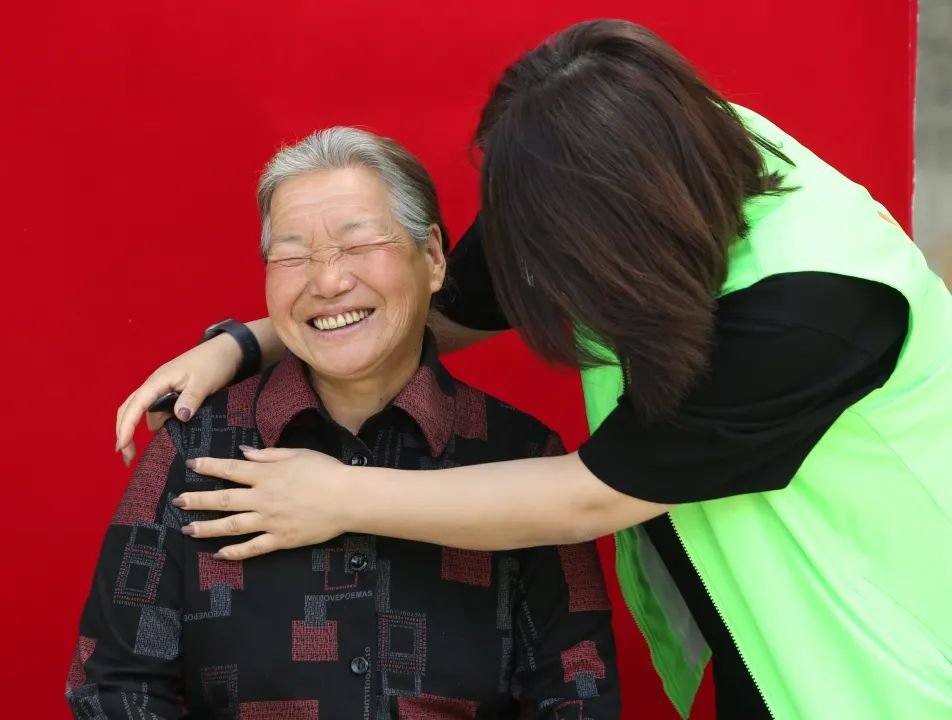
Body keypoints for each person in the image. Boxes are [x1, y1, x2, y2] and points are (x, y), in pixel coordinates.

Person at [111, 20, 952, 720]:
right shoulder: (641, 151)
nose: (531, 276)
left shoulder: (814, 305)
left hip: (879, 659)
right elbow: (426, 303)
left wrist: (334, 495)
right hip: (758, 633)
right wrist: (245, 342)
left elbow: (591, 496)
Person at [68, 127, 621, 720]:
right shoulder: (198, 448)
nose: (327, 282)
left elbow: (575, 694)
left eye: (358, 246)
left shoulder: (522, 455)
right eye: (293, 254)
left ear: (433, 258)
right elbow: (115, 689)